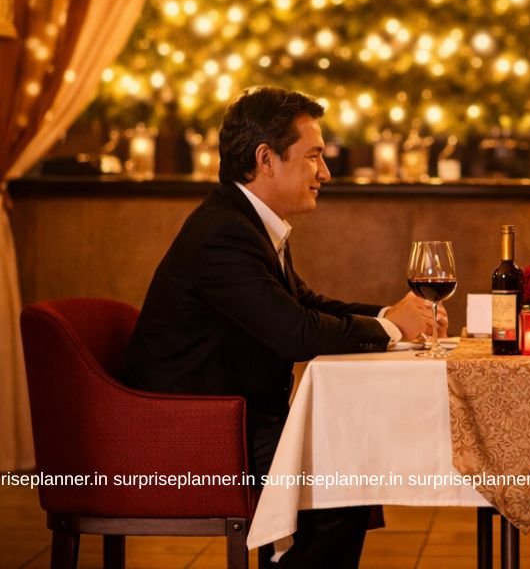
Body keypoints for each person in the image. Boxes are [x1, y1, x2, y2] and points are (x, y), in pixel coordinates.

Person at [123, 86, 443, 569]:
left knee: (347, 464)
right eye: (313, 156)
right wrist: (393, 329)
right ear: (265, 159)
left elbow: (305, 304)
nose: (325, 173)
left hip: (233, 420)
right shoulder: (223, 232)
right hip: (192, 435)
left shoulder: (245, 221)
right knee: (342, 476)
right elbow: (296, 333)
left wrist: (391, 315)